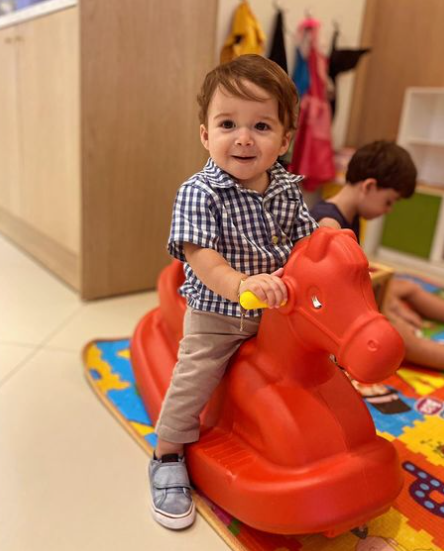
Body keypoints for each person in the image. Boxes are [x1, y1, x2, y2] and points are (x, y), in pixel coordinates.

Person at [149, 54, 318, 530]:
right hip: (220, 311)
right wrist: (241, 286)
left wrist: (326, 245)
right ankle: (166, 454)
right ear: (206, 134)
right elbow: (201, 258)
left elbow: (306, 241)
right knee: (195, 375)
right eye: (227, 123)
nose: (243, 137)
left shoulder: (285, 186)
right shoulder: (200, 192)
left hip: (279, 311)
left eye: (261, 126)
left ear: (284, 140)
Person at [311, 140, 444, 370]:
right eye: (388, 201)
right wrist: (388, 312)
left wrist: (389, 300)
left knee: (406, 287)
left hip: (355, 292)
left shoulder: (348, 214)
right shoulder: (329, 224)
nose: (388, 210)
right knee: (400, 337)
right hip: (336, 308)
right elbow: (332, 290)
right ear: (369, 186)